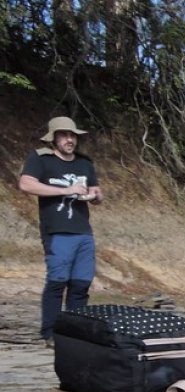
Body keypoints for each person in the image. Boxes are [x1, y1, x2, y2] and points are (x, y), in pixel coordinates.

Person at [18, 116, 104, 346]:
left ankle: (75, 334)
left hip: (83, 231)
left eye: (72, 135)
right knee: (57, 282)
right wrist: (65, 190)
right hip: (57, 230)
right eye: (64, 135)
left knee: (81, 284)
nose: (69, 139)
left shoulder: (84, 163)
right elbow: (25, 184)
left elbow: (96, 192)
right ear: (54, 138)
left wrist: (95, 196)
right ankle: (50, 333)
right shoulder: (41, 159)